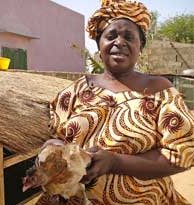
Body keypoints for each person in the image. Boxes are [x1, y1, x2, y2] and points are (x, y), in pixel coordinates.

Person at [36, 0, 194, 204]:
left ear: (141, 47)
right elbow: (55, 139)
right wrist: (55, 150)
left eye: (129, 37)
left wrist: (116, 162)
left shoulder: (160, 90)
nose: (119, 42)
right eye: (111, 36)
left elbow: (183, 154)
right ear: (98, 43)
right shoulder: (74, 91)